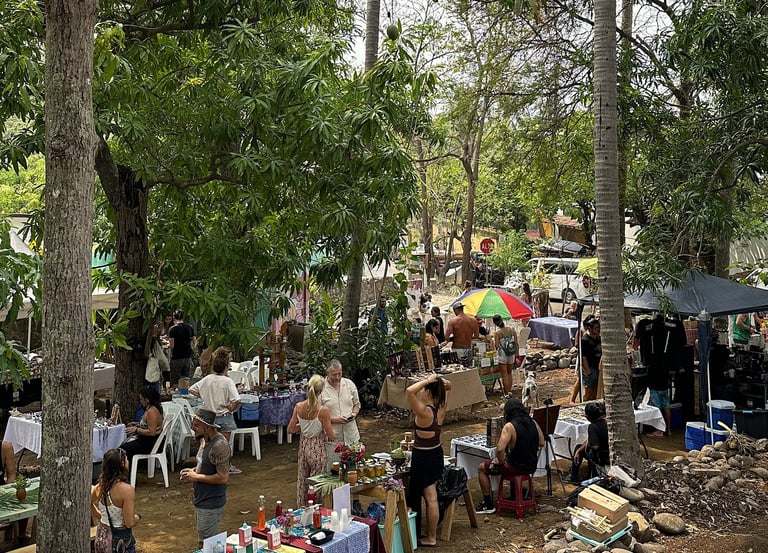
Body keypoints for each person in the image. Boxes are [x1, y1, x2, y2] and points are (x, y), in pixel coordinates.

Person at [475, 398, 545, 514]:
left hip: (515, 466)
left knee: (482, 468)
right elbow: (542, 442)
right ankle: (516, 493)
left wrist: (501, 462)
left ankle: (487, 503)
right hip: (531, 466)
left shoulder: (510, 426)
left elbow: (500, 448)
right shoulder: (533, 422)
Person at [406, 373, 451, 546]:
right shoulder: (441, 407)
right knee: (431, 495)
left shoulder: (424, 411)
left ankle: (428, 536)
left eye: (424, 389)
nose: (422, 391)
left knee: (428, 497)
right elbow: (449, 386)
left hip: (423, 457)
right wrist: (439, 381)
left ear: (429, 392)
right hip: (436, 454)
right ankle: (431, 536)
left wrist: (427, 380)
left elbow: (410, 392)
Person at [180, 408, 231, 548]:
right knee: (205, 540)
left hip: (211, 502)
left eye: (196, 425)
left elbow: (223, 478)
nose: (193, 428)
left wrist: (195, 476)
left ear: (207, 427)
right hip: (201, 499)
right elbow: (203, 465)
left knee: (207, 544)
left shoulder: (219, 445)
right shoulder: (204, 441)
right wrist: (192, 472)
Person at [189, 347, 242, 474]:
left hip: (208, 417)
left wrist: (204, 396)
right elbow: (237, 400)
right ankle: (225, 467)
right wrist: (231, 407)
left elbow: (191, 389)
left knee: (207, 444)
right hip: (224, 416)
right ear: (225, 367)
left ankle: (206, 466)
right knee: (224, 445)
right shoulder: (227, 381)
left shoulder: (207, 379)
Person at [287, 375, 335, 506]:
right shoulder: (322, 410)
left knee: (302, 480)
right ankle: (316, 508)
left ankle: (302, 507)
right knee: (317, 482)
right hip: (318, 447)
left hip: (304, 447)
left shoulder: (299, 406)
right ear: (321, 391)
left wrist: (303, 426)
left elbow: (290, 429)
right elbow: (330, 434)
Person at [91, 448, 140, 553]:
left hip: (101, 536)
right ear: (122, 464)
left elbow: (89, 503)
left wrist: (101, 516)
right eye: (126, 460)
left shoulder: (100, 487)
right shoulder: (127, 490)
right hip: (119, 540)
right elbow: (129, 523)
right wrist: (138, 517)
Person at [320, 359, 361, 467]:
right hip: (333, 438)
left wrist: (353, 414)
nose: (337, 377)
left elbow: (357, 404)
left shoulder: (349, 384)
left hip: (351, 435)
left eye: (339, 374)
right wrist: (334, 419)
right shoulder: (321, 388)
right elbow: (316, 413)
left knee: (353, 468)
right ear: (327, 373)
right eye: (334, 375)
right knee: (334, 471)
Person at [567, 401, 609, 482]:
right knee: (580, 448)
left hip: (601, 457)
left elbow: (594, 445)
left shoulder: (593, 426)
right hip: (606, 454)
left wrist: (585, 446)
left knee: (579, 448)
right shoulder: (605, 421)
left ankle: (573, 477)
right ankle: (589, 473)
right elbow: (591, 440)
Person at [120, 386, 164, 463]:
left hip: (151, 443)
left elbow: (152, 432)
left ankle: (125, 469)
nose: (140, 401)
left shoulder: (152, 411)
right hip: (148, 440)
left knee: (123, 449)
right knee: (125, 445)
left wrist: (137, 430)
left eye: (141, 399)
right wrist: (138, 424)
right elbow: (149, 424)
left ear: (147, 399)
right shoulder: (152, 408)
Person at [568, 316, 602, 404]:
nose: (598, 330)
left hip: (597, 367)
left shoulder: (598, 338)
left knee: (594, 391)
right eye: (596, 328)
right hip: (589, 368)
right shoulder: (585, 340)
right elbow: (583, 357)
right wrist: (588, 371)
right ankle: (583, 405)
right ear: (590, 328)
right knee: (589, 391)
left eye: (599, 328)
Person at [168, 309, 196, 386]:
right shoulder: (189, 327)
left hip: (177, 357)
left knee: (175, 381)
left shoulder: (172, 329)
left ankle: (175, 396)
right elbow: (194, 341)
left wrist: (167, 344)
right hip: (187, 357)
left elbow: (171, 345)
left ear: (174, 318)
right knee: (185, 380)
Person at [492, 315, 518, 396]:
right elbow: (516, 343)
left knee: (504, 374)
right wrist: (517, 353)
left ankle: (506, 392)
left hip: (503, 354)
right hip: (511, 352)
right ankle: (510, 390)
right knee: (509, 373)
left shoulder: (497, 333)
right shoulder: (512, 330)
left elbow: (496, 346)